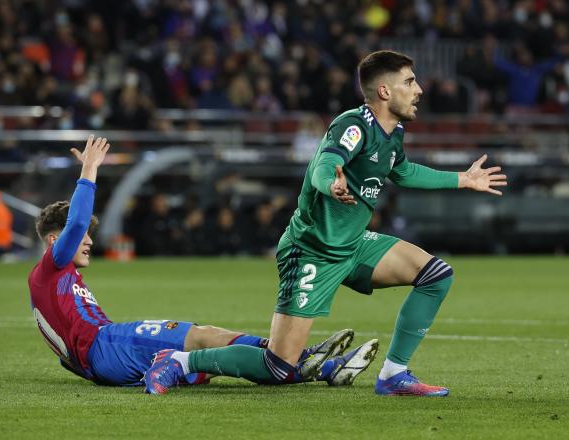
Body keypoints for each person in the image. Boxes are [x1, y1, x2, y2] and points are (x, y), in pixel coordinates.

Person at [144, 50, 507, 396]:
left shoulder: (393, 133)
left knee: (435, 275)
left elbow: (405, 172)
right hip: (312, 251)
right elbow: (323, 166)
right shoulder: (353, 125)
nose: (419, 90)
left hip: (353, 243)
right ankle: (178, 361)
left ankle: (394, 375)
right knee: (278, 366)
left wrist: (464, 179)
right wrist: (331, 185)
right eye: (410, 82)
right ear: (384, 90)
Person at [28, 135, 379, 387]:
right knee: (203, 337)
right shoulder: (50, 268)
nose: (88, 240)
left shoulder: (58, 279)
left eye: (89, 234)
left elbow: (66, 353)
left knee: (210, 363)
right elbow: (74, 223)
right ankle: (300, 356)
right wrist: (89, 170)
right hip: (107, 346)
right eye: (81, 236)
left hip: (103, 357)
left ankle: (325, 366)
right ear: (54, 241)